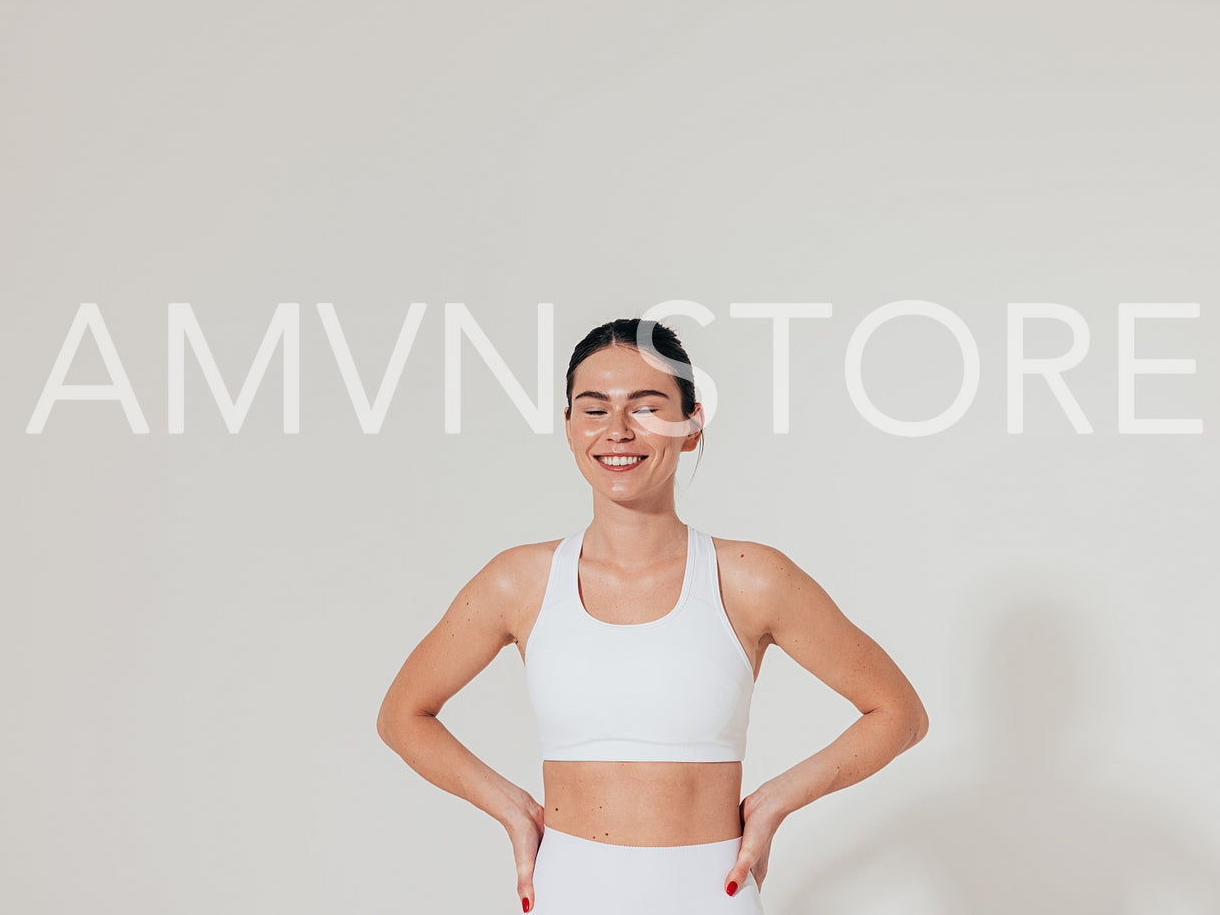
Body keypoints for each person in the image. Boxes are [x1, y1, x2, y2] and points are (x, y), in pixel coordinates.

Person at [377, 317, 928, 913]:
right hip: (567, 894)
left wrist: (776, 800)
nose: (617, 431)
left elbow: (899, 713)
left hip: (709, 894)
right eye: (594, 409)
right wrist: (511, 808)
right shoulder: (519, 581)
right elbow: (403, 715)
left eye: (645, 407)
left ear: (691, 426)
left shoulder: (750, 578)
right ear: (567, 428)